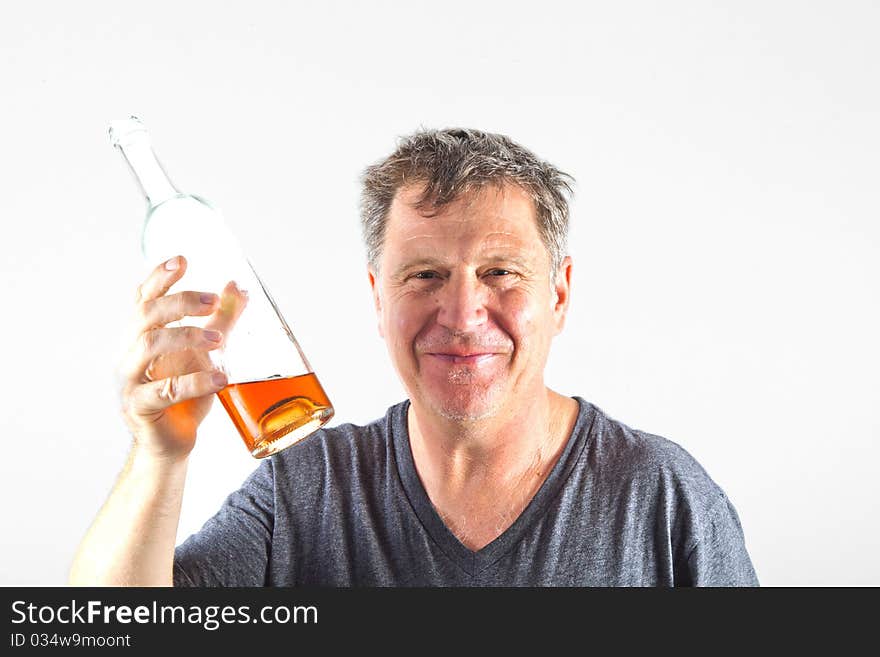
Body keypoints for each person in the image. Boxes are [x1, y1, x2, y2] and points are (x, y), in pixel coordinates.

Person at [69, 128, 759, 586]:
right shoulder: (306, 493)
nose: (461, 316)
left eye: (501, 273)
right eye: (424, 275)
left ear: (560, 293)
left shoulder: (663, 498)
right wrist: (157, 457)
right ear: (377, 298)